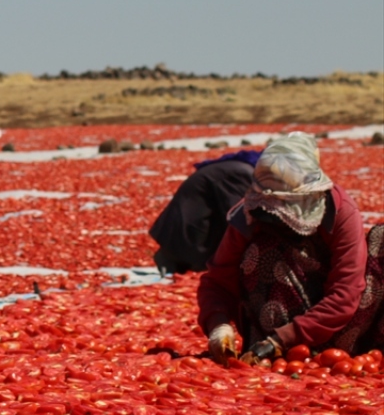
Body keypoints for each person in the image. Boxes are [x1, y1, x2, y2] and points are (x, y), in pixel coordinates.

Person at [197, 132, 384, 363]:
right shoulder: (250, 212)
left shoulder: (340, 210)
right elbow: (218, 280)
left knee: (381, 238)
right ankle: (276, 342)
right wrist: (218, 324)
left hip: (345, 327)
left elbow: (345, 291)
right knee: (265, 245)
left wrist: (284, 339)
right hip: (272, 328)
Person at [149, 150, 260, 275]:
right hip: (190, 232)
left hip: (190, 226)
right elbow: (239, 215)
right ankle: (174, 258)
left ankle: (173, 257)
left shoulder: (244, 169)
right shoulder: (241, 174)